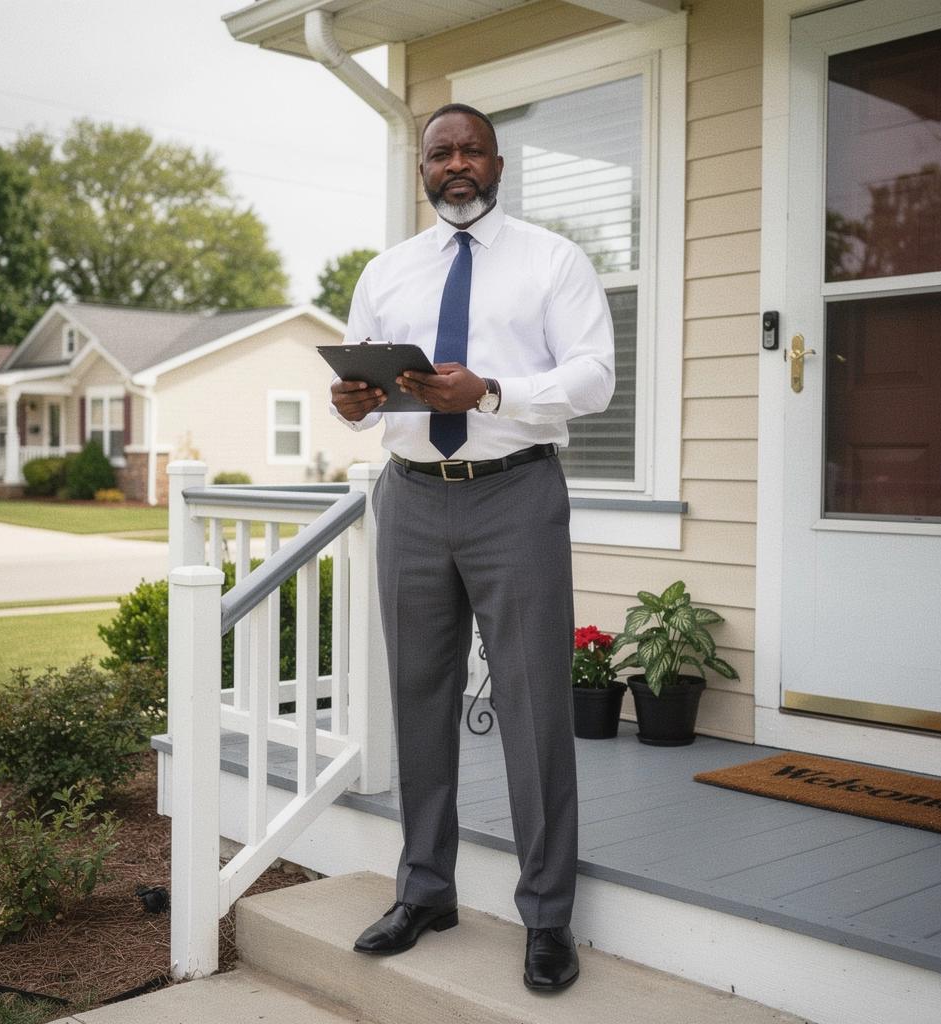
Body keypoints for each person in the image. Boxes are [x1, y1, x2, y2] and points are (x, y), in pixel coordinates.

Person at [330, 102, 615, 992]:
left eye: (472, 152)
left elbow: (595, 379)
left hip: (515, 496)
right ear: (422, 169)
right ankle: (425, 891)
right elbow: (365, 383)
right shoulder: (387, 271)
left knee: (534, 705)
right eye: (440, 153)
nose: (456, 165)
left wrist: (490, 391)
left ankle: (548, 916)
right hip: (412, 498)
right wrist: (353, 401)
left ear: (498, 163)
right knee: (418, 698)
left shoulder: (552, 260)